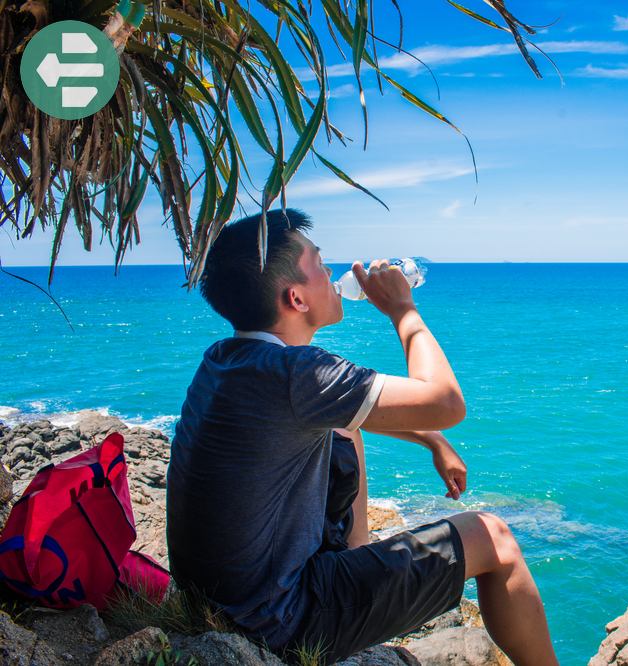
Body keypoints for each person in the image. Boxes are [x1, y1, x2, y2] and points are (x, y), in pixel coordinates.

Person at [166, 209, 558, 665]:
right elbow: (447, 401)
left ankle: (357, 560)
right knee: (494, 538)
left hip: (217, 599)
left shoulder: (229, 359)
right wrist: (403, 310)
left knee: (343, 431)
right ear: (296, 298)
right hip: (280, 620)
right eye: (318, 264)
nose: (331, 273)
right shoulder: (298, 374)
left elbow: (346, 413)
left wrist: (433, 441)